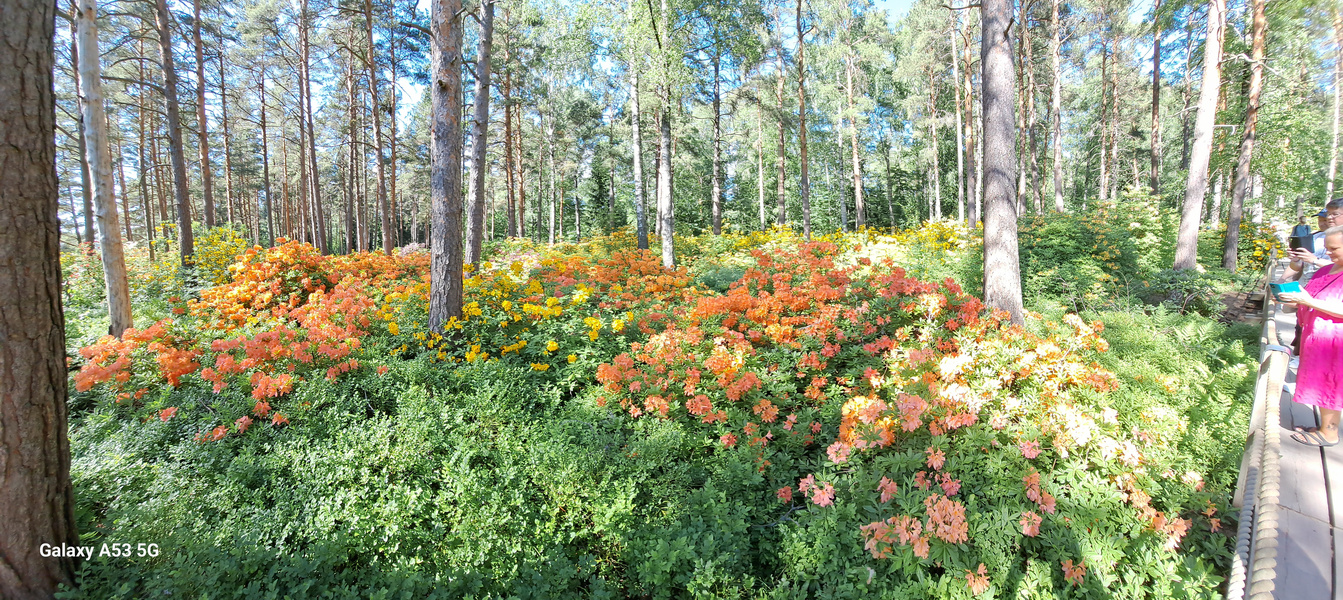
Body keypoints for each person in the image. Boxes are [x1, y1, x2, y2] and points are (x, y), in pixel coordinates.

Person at [1282, 225, 1343, 446]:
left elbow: (1315, 301)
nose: (1328, 253)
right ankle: (1322, 426)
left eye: (1334, 249)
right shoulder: (1325, 270)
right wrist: (1293, 300)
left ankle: (1329, 433)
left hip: (1336, 341)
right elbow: (1308, 295)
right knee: (1320, 382)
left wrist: (1310, 302)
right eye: (1326, 248)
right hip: (1315, 337)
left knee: (1333, 383)